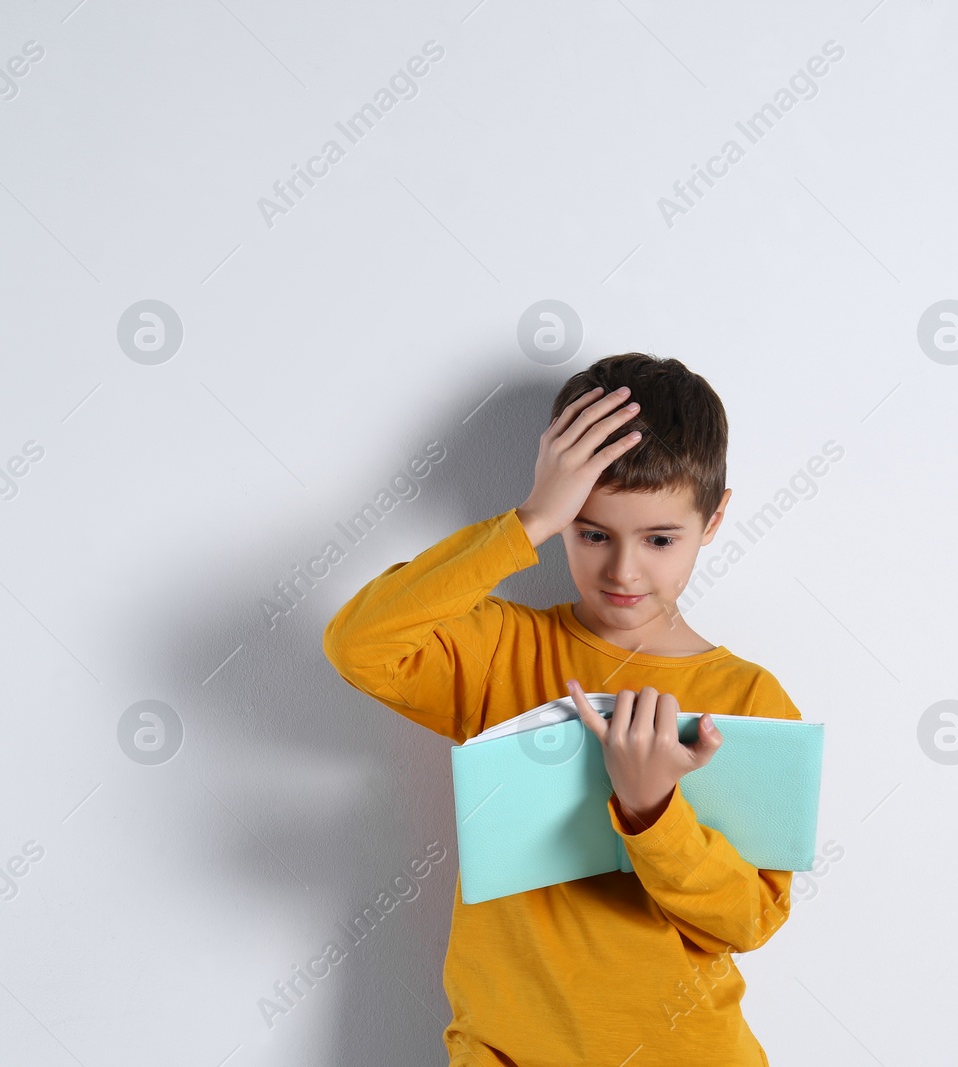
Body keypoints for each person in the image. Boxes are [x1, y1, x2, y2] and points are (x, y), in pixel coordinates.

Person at [321, 351, 806, 1065]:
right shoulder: (503, 651)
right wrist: (528, 520)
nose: (623, 570)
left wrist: (654, 813)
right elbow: (360, 644)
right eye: (591, 532)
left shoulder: (751, 700)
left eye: (660, 539)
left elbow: (749, 918)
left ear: (715, 518)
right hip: (506, 1050)